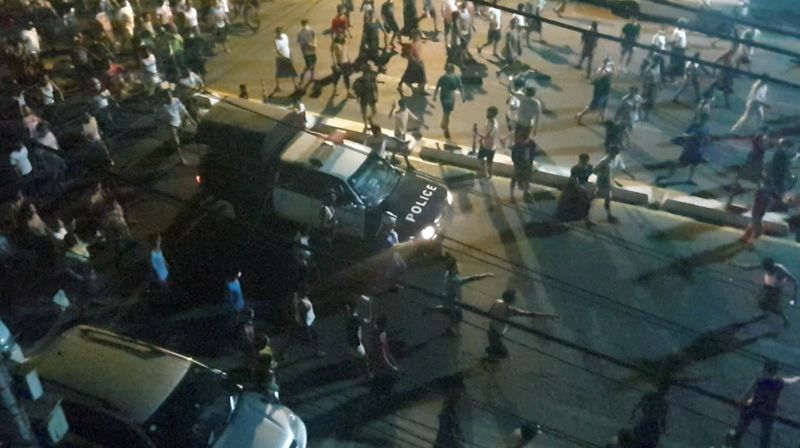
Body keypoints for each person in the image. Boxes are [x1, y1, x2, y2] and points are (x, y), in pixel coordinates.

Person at [729, 361, 800, 448]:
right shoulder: (779, 382)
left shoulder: (759, 381)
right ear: (775, 371)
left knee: (743, 424)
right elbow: (790, 380)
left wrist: (740, 403)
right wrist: (798, 378)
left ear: (765, 370)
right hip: (768, 410)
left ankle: (736, 438)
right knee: (766, 433)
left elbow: (747, 394)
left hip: (754, 407)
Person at [486, 289, 558, 359]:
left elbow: (489, 313)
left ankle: (490, 356)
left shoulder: (497, 302)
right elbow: (530, 314)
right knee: (503, 354)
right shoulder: (509, 310)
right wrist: (548, 315)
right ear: (512, 299)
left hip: (491, 329)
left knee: (495, 350)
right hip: (497, 332)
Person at [435, 254, 493, 335]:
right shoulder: (455, 280)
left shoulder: (448, 273)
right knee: (458, 318)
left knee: (450, 312)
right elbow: (471, 278)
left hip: (448, 298)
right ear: (453, 267)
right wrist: (485, 275)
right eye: (456, 265)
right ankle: (450, 330)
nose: (458, 265)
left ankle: (435, 310)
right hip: (453, 302)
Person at [736, 258, 797, 326]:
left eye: (767, 269)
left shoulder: (780, 269)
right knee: (762, 302)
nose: (766, 271)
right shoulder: (765, 266)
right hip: (767, 286)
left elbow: (794, 280)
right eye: (765, 269)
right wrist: (737, 265)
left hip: (776, 290)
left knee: (775, 307)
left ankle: (785, 319)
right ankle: (763, 313)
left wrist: (794, 297)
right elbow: (749, 268)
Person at [657, 112, 711, 185]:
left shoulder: (706, 127)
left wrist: (706, 145)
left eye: (705, 119)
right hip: (690, 149)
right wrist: (690, 136)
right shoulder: (694, 126)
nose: (703, 120)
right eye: (702, 119)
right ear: (700, 118)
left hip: (698, 150)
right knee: (682, 164)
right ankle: (670, 171)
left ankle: (690, 179)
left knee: (694, 165)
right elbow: (685, 135)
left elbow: (707, 137)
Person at [593, 146, 634, 223]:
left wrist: (629, 175)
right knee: (607, 198)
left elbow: (621, 167)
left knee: (602, 197)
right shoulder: (603, 162)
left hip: (608, 181)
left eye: (615, 154)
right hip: (603, 182)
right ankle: (609, 216)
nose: (614, 155)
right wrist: (602, 173)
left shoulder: (617, 158)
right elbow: (595, 171)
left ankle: (607, 214)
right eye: (613, 153)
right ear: (610, 152)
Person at [555, 153, 596, 226]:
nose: (582, 162)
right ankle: (561, 218)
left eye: (584, 161)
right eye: (581, 161)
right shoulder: (575, 169)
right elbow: (575, 182)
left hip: (582, 188)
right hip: (572, 188)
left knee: (587, 202)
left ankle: (587, 218)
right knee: (567, 202)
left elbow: (592, 176)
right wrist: (583, 189)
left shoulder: (589, 168)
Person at [159, 88, 197, 165]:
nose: (170, 98)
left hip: (179, 121)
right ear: (164, 97)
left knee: (180, 137)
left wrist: (191, 121)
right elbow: (160, 116)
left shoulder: (176, 100)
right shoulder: (163, 106)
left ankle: (171, 144)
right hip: (172, 125)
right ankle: (181, 158)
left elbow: (184, 110)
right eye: (167, 96)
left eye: (170, 95)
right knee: (177, 142)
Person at [286, 288, 326, 357]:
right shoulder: (302, 304)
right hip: (305, 324)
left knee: (292, 338)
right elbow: (303, 318)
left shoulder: (295, 295)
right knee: (314, 336)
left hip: (298, 321)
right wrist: (307, 330)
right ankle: (317, 351)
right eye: (306, 291)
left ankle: (283, 352)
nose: (308, 292)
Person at [388, 98, 425, 169]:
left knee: (398, 146)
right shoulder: (397, 113)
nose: (405, 106)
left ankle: (393, 158)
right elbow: (390, 116)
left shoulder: (407, 110)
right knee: (404, 148)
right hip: (399, 133)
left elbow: (414, 118)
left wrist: (422, 124)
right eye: (404, 105)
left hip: (403, 133)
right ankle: (408, 165)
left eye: (405, 105)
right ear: (401, 106)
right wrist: (392, 108)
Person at [631, 383, 670, 448]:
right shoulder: (652, 397)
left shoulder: (663, 402)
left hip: (651, 424)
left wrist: (664, 429)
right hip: (646, 423)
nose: (663, 391)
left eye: (664, 390)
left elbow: (663, 418)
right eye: (662, 389)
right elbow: (639, 404)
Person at [576, 58, 614, 124]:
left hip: (606, 91)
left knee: (604, 107)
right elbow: (599, 77)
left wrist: (613, 67)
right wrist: (605, 69)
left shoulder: (608, 70)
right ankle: (580, 115)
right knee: (593, 107)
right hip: (600, 91)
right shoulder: (601, 70)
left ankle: (602, 119)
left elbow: (612, 74)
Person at [433, 63, 465, 141]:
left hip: (443, 94)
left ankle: (443, 123)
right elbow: (460, 86)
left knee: (446, 111)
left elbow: (437, 86)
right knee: (447, 112)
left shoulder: (443, 77)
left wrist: (435, 95)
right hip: (450, 95)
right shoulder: (456, 77)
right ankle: (446, 128)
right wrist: (463, 95)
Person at [371, 314, 399, 395]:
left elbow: (387, 352)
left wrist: (394, 363)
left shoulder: (383, 334)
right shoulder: (376, 336)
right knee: (382, 385)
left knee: (388, 384)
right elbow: (381, 355)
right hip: (379, 367)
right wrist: (391, 367)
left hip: (383, 365)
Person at [510, 131, 537, 203]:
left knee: (525, 180)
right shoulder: (517, 146)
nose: (517, 140)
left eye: (519, 139)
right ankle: (512, 195)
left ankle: (525, 194)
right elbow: (513, 157)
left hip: (526, 165)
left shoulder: (531, 144)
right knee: (515, 179)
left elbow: (533, 154)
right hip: (520, 165)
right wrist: (517, 163)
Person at [271, 27, 299, 97]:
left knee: (292, 71)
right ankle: (278, 86)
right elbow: (277, 51)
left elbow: (287, 46)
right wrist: (284, 57)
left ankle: (295, 85)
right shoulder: (275, 40)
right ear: (276, 33)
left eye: (280, 32)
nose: (279, 34)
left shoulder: (285, 36)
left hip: (288, 56)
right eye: (278, 32)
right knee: (279, 73)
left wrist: (290, 55)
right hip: (281, 58)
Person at [398, 31, 427, 96]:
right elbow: (410, 55)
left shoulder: (416, 42)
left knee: (407, 74)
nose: (418, 37)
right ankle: (421, 90)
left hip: (418, 61)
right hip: (415, 62)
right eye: (417, 36)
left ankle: (401, 84)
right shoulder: (412, 45)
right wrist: (414, 61)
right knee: (421, 77)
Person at [352, 63, 379, 131]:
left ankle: (366, 125)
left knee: (364, 112)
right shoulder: (372, 78)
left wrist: (358, 97)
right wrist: (377, 95)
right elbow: (375, 87)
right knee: (374, 111)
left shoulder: (359, 80)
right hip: (370, 96)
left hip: (364, 97)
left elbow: (357, 90)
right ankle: (369, 119)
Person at [477, 106, 501, 180]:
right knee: (485, 160)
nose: (487, 114)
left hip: (488, 146)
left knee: (484, 160)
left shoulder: (493, 125)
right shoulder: (492, 121)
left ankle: (486, 174)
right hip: (488, 144)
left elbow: (487, 136)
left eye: (488, 112)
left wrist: (476, 132)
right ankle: (486, 174)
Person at [297, 19, 317, 86]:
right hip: (310, 51)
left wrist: (313, 45)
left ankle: (312, 77)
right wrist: (313, 45)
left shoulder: (302, 32)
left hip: (308, 51)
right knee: (309, 65)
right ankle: (303, 74)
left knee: (312, 64)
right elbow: (314, 38)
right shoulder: (306, 31)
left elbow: (300, 42)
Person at [640, 57, 660, 121]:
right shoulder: (649, 68)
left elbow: (659, 76)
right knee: (644, 100)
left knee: (651, 102)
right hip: (648, 86)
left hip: (654, 86)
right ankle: (639, 113)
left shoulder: (658, 67)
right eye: (656, 61)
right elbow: (645, 78)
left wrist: (660, 85)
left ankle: (646, 116)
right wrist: (645, 86)